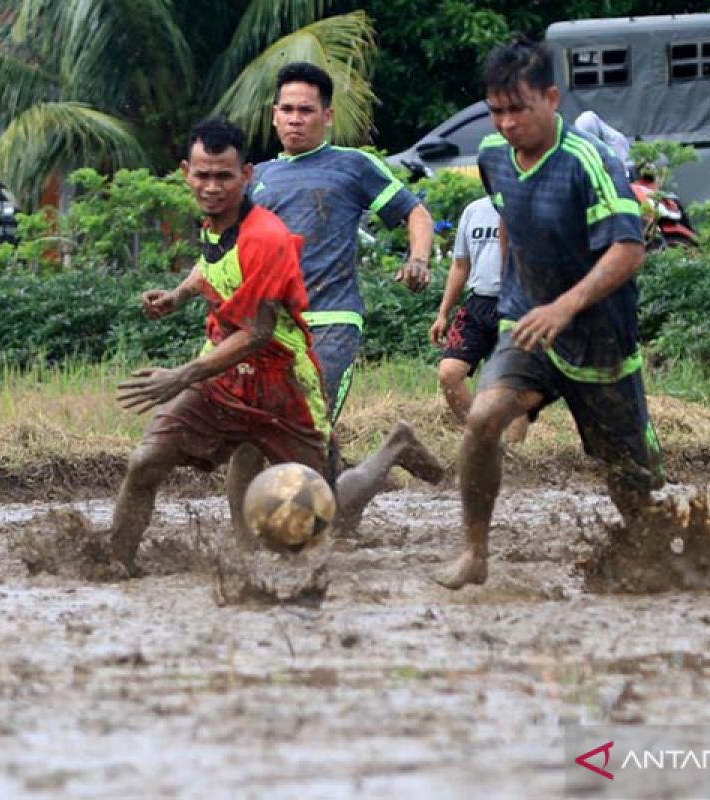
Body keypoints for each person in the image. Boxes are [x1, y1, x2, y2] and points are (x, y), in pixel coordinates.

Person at [108, 118, 443, 574]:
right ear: (186, 172)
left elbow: (258, 332)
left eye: (223, 177)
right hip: (226, 374)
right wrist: (179, 294)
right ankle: (116, 565)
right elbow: (212, 265)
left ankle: (393, 449)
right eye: (202, 176)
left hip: (285, 385)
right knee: (145, 461)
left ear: (246, 176)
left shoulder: (267, 237)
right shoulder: (213, 222)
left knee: (322, 513)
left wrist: (183, 374)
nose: (211, 187)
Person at [435, 39, 665, 590]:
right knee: (483, 418)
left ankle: (660, 551)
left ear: (551, 98)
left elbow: (628, 249)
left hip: (601, 338)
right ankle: (475, 552)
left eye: (519, 108)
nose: (508, 123)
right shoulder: (493, 156)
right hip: (527, 325)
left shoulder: (590, 160)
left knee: (632, 483)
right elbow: (508, 212)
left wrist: (565, 304)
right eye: (497, 111)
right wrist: (519, 290)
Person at [250, 61, 434, 423]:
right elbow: (225, 250)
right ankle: (390, 453)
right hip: (270, 325)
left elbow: (417, 214)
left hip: (331, 320)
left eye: (306, 110)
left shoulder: (352, 165)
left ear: (327, 115)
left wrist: (418, 260)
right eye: (287, 110)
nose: (295, 119)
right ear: (274, 116)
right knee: (264, 433)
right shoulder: (256, 176)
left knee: (307, 424)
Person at [429, 195, 529, 442]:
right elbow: (461, 265)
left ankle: (517, 456)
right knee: (449, 373)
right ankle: (484, 438)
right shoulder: (474, 210)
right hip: (478, 303)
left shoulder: (530, 205)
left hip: (518, 304)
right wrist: (443, 313)